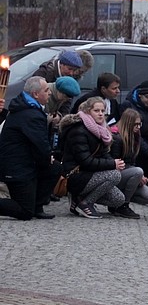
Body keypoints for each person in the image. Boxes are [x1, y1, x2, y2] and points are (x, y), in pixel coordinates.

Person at [58, 97, 128, 219]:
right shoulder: (78, 130)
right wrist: (112, 164)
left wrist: (115, 162)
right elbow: (85, 161)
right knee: (114, 175)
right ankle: (85, 203)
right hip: (75, 175)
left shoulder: (98, 129)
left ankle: (79, 199)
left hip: (91, 174)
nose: (101, 114)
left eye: (103, 111)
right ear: (87, 111)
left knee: (118, 199)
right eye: (96, 110)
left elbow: (101, 153)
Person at [0, 77, 57, 220]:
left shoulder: (26, 106)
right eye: (46, 90)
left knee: (54, 168)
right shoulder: (30, 114)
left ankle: (37, 206)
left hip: (25, 162)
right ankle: (32, 207)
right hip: (16, 167)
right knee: (25, 212)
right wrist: (47, 157)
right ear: (35, 94)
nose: (50, 93)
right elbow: (40, 144)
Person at [110, 109, 148, 213]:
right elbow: (114, 163)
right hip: (116, 173)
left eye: (139, 124)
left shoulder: (135, 136)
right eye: (135, 124)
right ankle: (123, 205)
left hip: (128, 171)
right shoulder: (117, 138)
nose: (138, 127)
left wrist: (139, 177)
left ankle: (117, 200)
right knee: (138, 171)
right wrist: (137, 175)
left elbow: (132, 162)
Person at [120, 80, 148, 187]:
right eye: (147, 97)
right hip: (135, 144)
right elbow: (133, 133)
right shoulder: (128, 105)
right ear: (139, 95)